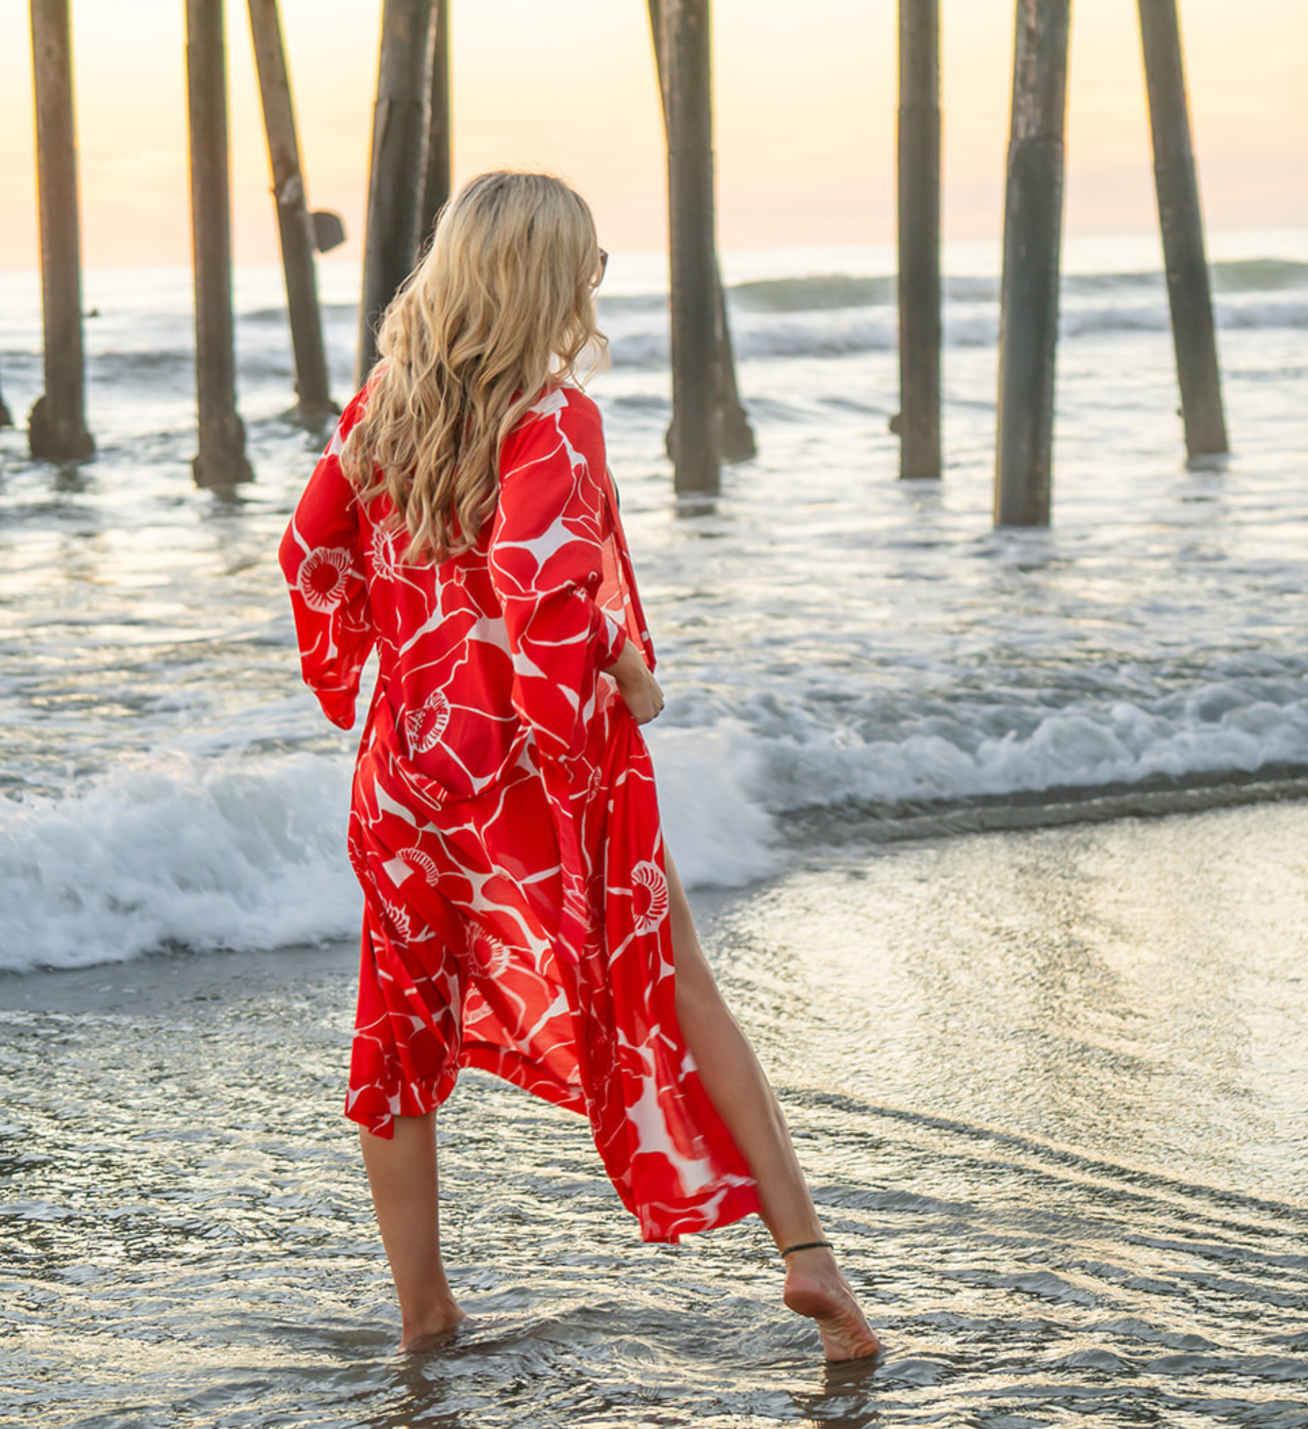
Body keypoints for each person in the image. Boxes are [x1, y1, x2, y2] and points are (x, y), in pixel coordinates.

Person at [279, 170, 878, 1362]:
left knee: (396, 1020)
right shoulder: (552, 420)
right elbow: (539, 591)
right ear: (550, 285)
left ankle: (424, 1311)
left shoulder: (380, 407)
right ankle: (810, 1260)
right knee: (675, 977)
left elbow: (307, 549)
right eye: (588, 270)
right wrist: (623, 686)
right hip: (540, 765)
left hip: (405, 765)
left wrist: (370, 673)